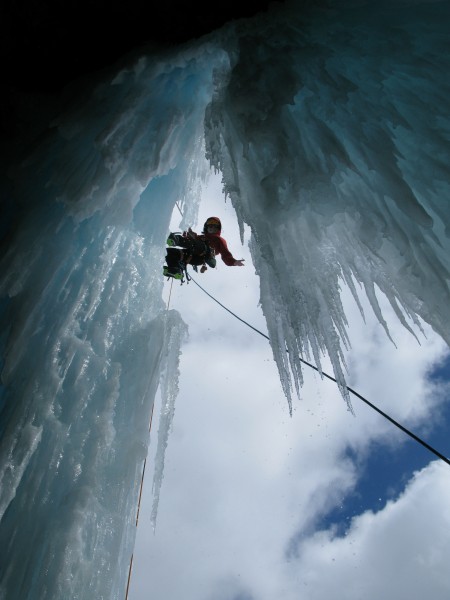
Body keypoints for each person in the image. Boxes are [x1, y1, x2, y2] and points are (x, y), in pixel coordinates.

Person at [163, 216, 244, 280]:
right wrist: (189, 234)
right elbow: (191, 240)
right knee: (170, 252)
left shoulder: (219, 240)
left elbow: (225, 253)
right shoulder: (201, 237)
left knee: (195, 243)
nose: (211, 227)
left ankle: (175, 240)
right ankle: (175, 270)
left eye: (214, 226)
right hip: (193, 256)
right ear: (206, 228)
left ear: (218, 229)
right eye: (210, 226)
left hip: (203, 255)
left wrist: (233, 262)